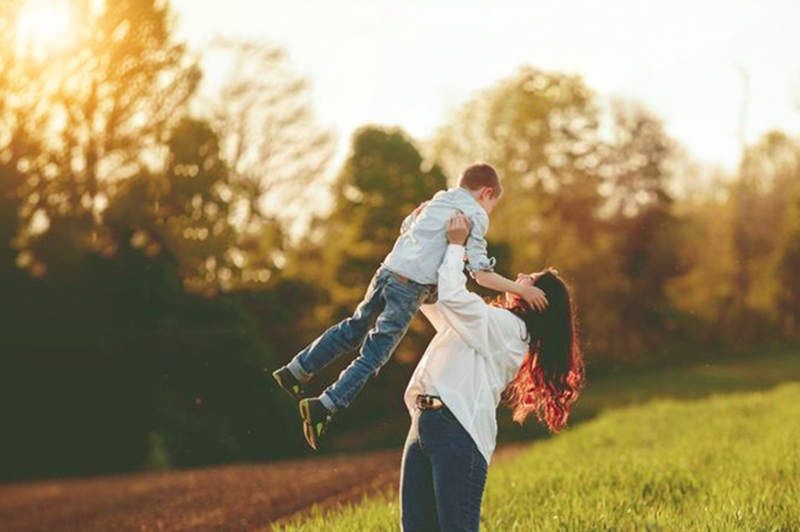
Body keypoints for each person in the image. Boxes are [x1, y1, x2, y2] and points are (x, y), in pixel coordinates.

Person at [272, 163, 549, 450]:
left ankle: (296, 370)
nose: (489, 211)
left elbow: (407, 227)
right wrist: (520, 290)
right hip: (409, 288)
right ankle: (325, 405)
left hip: (387, 271)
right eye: (492, 205)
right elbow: (480, 274)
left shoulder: (440, 198)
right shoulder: (476, 214)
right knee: (374, 355)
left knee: (354, 327)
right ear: (486, 193)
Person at [400, 213, 585, 532]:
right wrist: (416, 231)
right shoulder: (489, 322)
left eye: (530, 278)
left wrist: (456, 246)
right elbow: (433, 299)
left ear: (539, 300)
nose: (520, 275)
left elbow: (454, 297)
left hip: (457, 432)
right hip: (425, 424)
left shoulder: (511, 331)